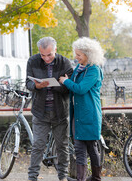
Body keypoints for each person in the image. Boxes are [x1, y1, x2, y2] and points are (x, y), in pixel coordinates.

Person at [26, 37, 73, 181]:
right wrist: (35, 86)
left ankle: (63, 176)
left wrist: (56, 85)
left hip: (60, 111)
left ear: (55, 50)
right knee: (37, 145)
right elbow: (27, 82)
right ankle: (32, 177)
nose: (46, 58)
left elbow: (69, 88)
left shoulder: (65, 62)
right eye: (42, 55)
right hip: (40, 112)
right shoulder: (32, 61)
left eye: (49, 55)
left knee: (62, 146)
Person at [59, 37, 105, 181]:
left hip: (89, 114)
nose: (76, 57)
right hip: (77, 114)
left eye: (79, 54)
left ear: (88, 55)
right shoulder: (80, 68)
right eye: (76, 54)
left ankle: (96, 178)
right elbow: (75, 86)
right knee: (79, 149)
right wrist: (69, 80)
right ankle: (82, 179)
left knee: (91, 148)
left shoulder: (94, 70)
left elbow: (80, 89)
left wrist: (65, 81)